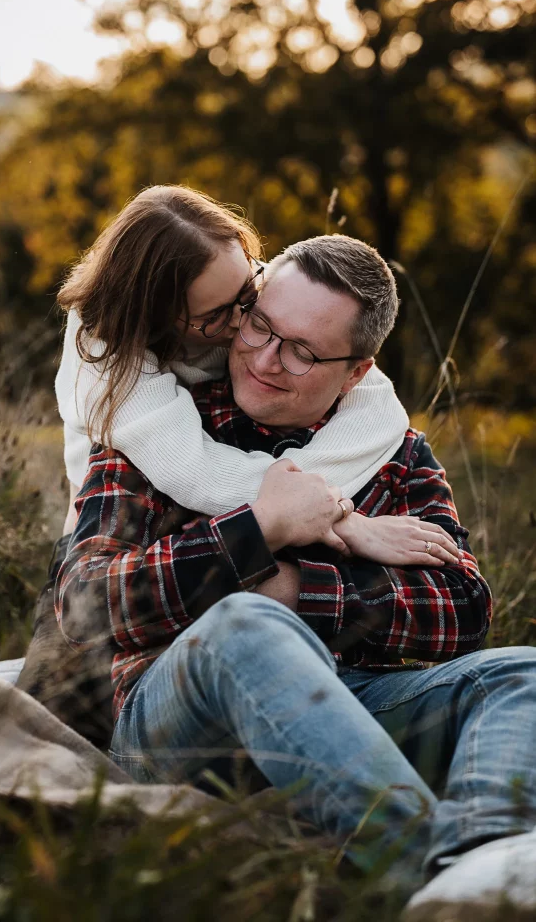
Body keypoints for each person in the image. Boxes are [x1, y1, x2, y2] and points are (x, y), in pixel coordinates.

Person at [55, 233, 536, 915]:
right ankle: (415, 872)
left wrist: (294, 591)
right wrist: (253, 538)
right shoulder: (158, 426)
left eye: (303, 351)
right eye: (258, 325)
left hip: (344, 699)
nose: (263, 359)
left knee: (521, 673)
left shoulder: (393, 452)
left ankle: (481, 871)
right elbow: (84, 606)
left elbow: (461, 606)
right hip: (174, 721)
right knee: (245, 627)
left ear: (356, 371)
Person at [54, 184, 410, 539]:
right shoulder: (107, 355)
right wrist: (339, 518)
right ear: (156, 319)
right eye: (218, 315)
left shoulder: (226, 279)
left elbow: (371, 395)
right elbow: (203, 477)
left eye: (249, 292)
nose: (246, 322)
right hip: (108, 503)